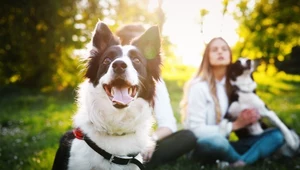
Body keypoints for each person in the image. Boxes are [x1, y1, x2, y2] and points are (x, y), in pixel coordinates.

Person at [180, 37, 285, 167]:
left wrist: (250, 117)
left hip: (226, 144)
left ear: (230, 56)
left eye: (224, 49)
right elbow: (195, 131)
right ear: (207, 57)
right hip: (203, 145)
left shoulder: (232, 88)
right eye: (214, 50)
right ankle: (244, 160)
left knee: (277, 135)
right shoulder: (199, 87)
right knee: (218, 142)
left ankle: (238, 163)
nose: (220, 52)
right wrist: (235, 125)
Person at [116, 24, 197, 169]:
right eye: (129, 41)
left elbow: (168, 125)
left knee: (187, 137)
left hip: (141, 143)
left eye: (145, 44)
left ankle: (135, 162)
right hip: (111, 141)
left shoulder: (153, 82)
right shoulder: (107, 77)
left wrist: (150, 140)